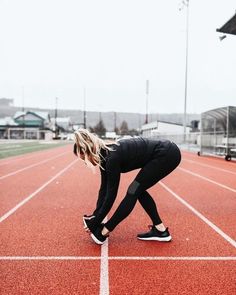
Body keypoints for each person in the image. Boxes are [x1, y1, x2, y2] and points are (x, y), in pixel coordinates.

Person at [73, 129, 181, 245]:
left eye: (84, 158)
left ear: (89, 150)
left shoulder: (111, 159)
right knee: (137, 189)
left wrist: (97, 223)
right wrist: (95, 217)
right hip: (164, 152)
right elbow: (103, 189)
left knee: (133, 190)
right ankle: (160, 230)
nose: (85, 162)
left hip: (167, 154)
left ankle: (105, 231)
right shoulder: (104, 157)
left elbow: (111, 195)